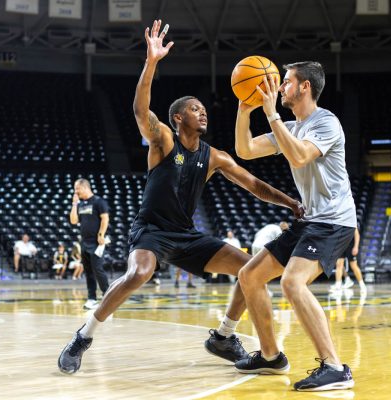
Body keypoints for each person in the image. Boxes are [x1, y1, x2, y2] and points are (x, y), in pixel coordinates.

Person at [58, 20, 303, 375]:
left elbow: (253, 184)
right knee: (140, 272)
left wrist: (291, 203)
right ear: (177, 118)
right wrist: (152, 61)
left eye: (204, 109)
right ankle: (84, 335)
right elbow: (142, 113)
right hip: (152, 230)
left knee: (250, 269)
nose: (202, 112)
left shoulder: (214, 156)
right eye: (194, 109)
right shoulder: (163, 141)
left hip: (186, 234)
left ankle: (223, 336)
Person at [233, 61, 357, 391]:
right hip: (310, 220)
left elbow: (301, 156)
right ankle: (271, 356)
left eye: (285, 81)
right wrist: (245, 110)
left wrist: (272, 115)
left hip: (334, 222)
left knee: (292, 282)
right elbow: (244, 150)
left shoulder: (326, 121)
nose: (279, 87)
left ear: (304, 87)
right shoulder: (290, 126)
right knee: (249, 275)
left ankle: (334, 367)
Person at [70, 179, 110, 309]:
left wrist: (101, 235)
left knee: (98, 269)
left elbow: (105, 218)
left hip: (96, 242)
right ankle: (92, 298)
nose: (75, 191)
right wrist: (74, 204)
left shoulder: (99, 202)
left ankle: (108, 296)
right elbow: (74, 221)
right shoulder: (80, 204)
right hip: (84, 243)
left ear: (84, 187)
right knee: (88, 271)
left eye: (77, 189)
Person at [332, 227, 366, 293]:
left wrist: (356, 246)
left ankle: (362, 285)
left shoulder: (351, 220)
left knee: (353, 266)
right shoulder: (339, 221)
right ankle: (338, 285)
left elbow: (357, 235)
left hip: (351, 245)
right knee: (339, 265)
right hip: (341, 245)